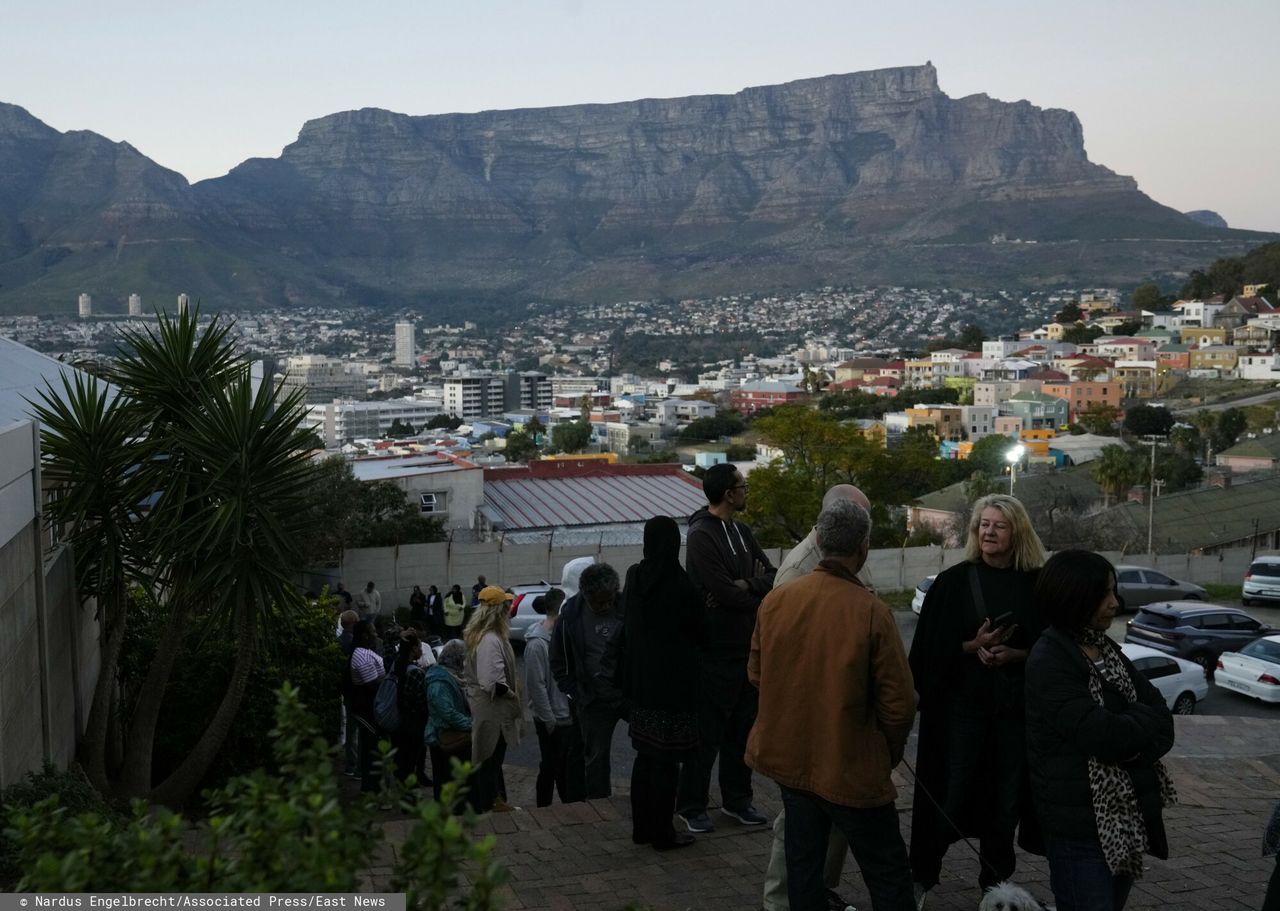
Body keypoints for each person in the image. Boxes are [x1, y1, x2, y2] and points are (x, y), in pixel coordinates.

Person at [747, 500, 916, 911]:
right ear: (863, 547)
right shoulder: (871, 611)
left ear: (819, 542)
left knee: (803, 869)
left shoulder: (778, 600)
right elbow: (900, 704)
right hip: (851, 767)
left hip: (791, 760)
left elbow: (757, 673)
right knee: (888, 873)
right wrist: (885, 753)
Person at [907, 493, 1047, 907]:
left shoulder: (1037, 585)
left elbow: (1054, 645)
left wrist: (1016, 654)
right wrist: (972, 646)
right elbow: (926, 653)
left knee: (1005, 803)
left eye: (998, 525)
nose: (988, 532)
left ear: (1016, 532)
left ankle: (996, 888)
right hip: (961, 716)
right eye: (983, 524)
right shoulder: (952, 583)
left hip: (1012, 714)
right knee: (949, 795)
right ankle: (922, 877)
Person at [1026, 550, 1176, 911]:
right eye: (1104, 594)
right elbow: (1103, 736)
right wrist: (1134, 730)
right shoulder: (1050, 659)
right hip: (1080, 828)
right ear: (1073, 599)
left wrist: (1131, 736)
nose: (1115, 603)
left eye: (1114, 591)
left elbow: (1163, 720)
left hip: (1124, 820)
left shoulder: (1104, 648)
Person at [765, 484, 873, 911]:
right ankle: (781, 901)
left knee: (834, 814)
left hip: (841, 708)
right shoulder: (799, 572)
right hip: (811, 712)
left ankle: (815, 891)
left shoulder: (841, 557)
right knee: (798, 818)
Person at [678, 462, 775, 833]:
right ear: (727, 493)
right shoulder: (703, 536)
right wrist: (754, 591)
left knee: (742, 731)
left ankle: (738, 800)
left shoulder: (742, 530)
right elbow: (719, 591)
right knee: (707, 734)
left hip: (746, 648)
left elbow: (772, 573)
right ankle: (691, 805)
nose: (745, 491)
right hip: (714, 651)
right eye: (742, 486)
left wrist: (748, 585)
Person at [618, 516, 704, 851]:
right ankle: (663, 833)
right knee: (667, 761)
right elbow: (701, 631)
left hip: (640, 686)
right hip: (673, 690)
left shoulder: (635, 576)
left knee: (645, 757)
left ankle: (642, 829)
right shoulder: (679, 583)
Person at [550, 563, 626, 799]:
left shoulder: (627, 606)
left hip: (628, 692)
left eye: (609, 600)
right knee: (595, 758)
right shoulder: (570, 616)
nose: (605, 606)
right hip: (592, 699)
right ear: (585, 593)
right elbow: (558, 660)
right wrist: (574, 692)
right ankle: (600, 805)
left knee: (650, 747)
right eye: (599, 602)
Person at [464, 585, 524, 812]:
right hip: (493, 710)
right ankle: (488, 805)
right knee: (490, 758)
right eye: (506, 606)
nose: (510, 610)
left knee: (489, 759)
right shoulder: (490, 639)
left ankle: (491, 801)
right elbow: (491, 682)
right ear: (497, 611)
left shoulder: (483, 635)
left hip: (487, 709)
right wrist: (511, 695)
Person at [523, 590, 581, 806]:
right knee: (550, 767)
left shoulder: (561, 635)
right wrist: (549, 719)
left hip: (566, 715)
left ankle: (568, 807)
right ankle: (544, 809)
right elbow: (536, 686)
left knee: (564, 768)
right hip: (552, 719)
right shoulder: (537, 644)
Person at [424, 639, 473, 804]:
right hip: (444, 737)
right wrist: (470, 724)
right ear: (457, 659)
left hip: (450, 735)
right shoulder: (439, 681)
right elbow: (448, 713)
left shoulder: (449, 676)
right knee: (446, 779)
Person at [348, 619, 386, 793]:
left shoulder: (365, 652)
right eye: (372, 631)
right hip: (367, 709)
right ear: (364, 635)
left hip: (371, 708)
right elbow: (373, 684)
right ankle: (373, 788)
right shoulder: (361, 655)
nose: (375, 634)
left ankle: (370, 786)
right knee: (372, 748)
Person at [391, 630, 431, 786]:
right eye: (420, 646)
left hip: (399, 717)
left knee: (403, 757)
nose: (422, 650)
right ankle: (409, 790)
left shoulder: (397, 664)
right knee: (412, 756)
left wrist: (400, 634)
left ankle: (408, 782)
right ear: (414, 649)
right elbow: (422, 700)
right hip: (414, 721)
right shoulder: (416, 673)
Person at [336, 609, 360, 777]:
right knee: (353, 728)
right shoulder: (351, 642)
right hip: (354, 690)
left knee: (350, 726)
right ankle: (353, 764)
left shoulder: (339, 640)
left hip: (345, 689)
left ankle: (352, 763)